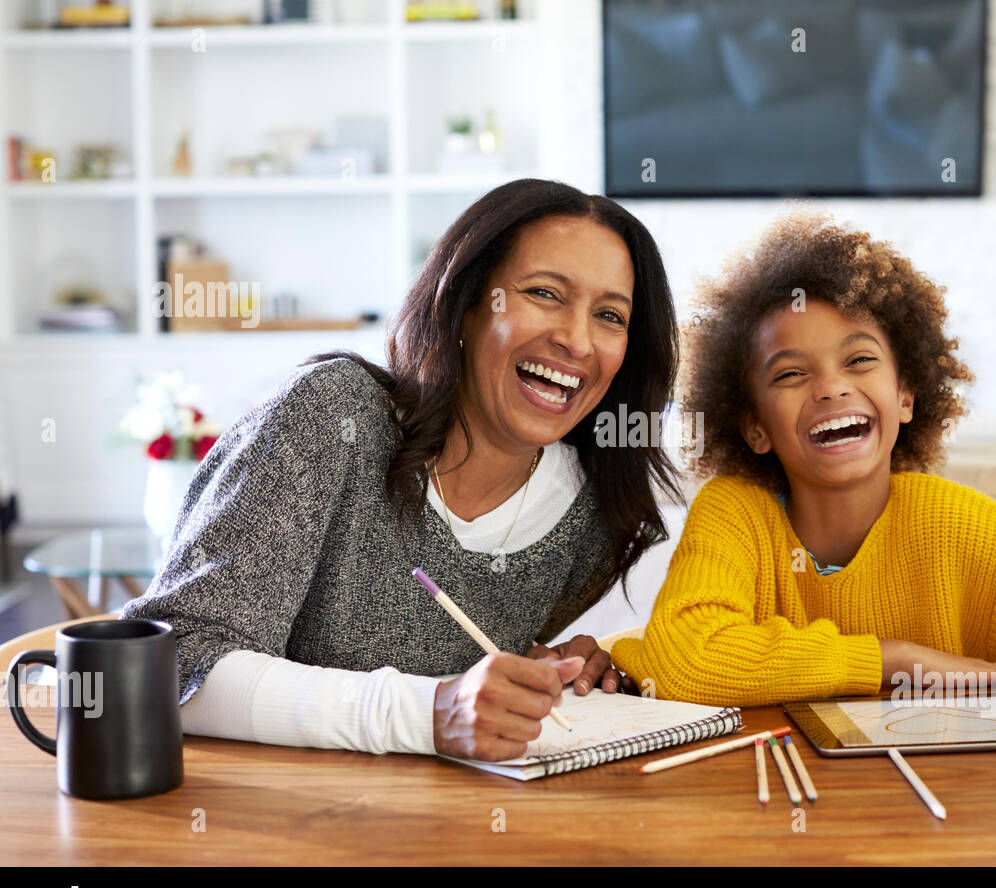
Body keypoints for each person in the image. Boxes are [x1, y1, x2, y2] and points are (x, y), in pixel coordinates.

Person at [123, 178, 680, 761]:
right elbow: (174, 663)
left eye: (611, 316)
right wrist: (429, 714)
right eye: (544, 293)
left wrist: (528, 676)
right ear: (465, 302)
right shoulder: (331, 418)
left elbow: (458, 672)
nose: (576, 340)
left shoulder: (592, 514)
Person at [612, 209, 996, 743]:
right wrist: (897, 658)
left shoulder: (957, 527)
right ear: (753, 428)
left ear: (905, 395)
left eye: (859, 360)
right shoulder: (734, 511)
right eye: (791, 374)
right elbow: (686, 658)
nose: (831, 386)